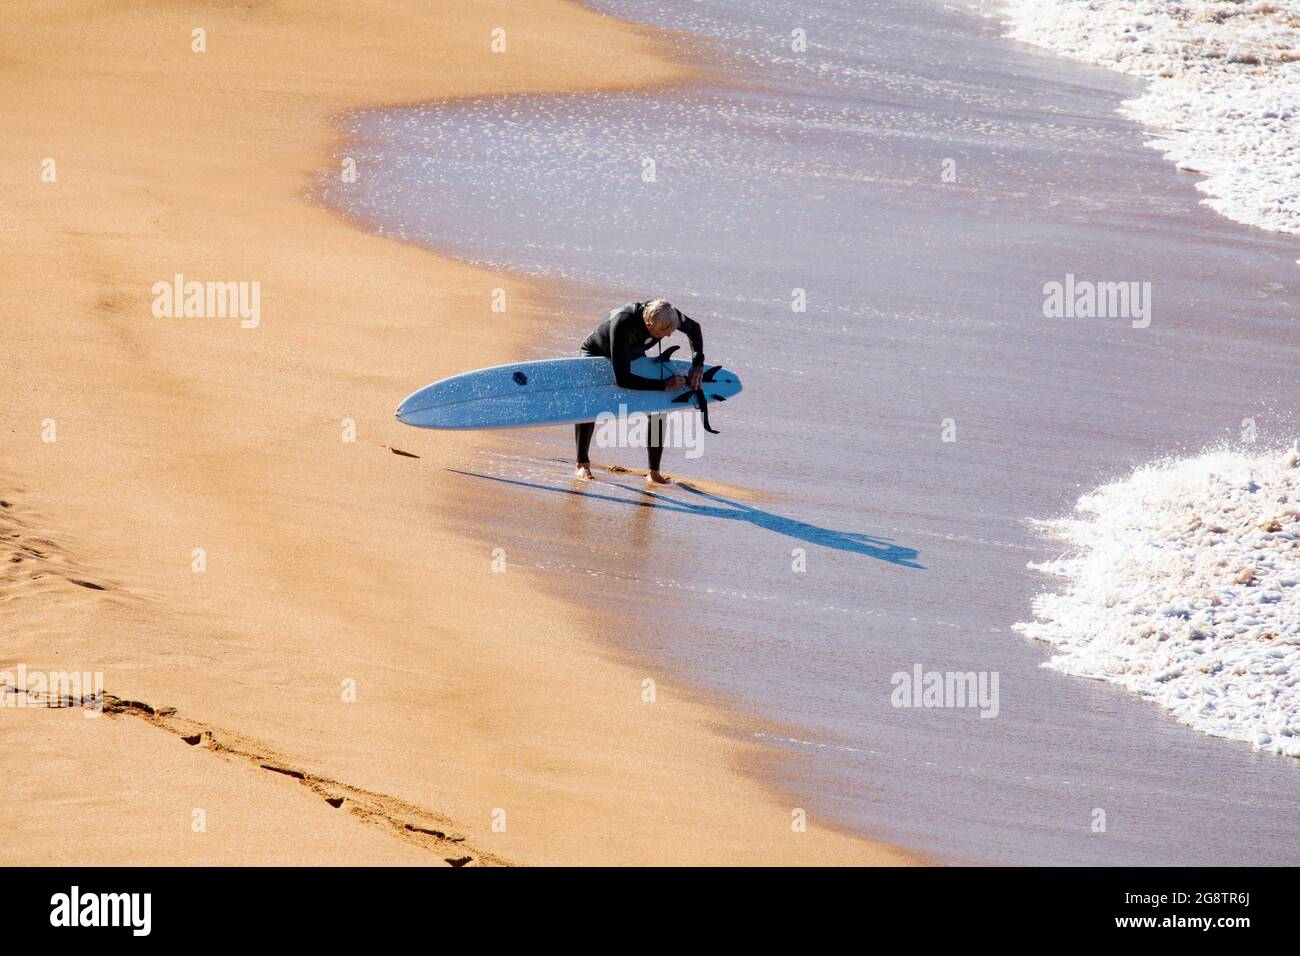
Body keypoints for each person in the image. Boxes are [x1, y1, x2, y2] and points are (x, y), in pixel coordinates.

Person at [574, 299, 704, 484]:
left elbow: (694, 328)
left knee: (658, 406)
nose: (668, 336)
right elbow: (623, 380)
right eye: (665, 332)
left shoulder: (667, 312)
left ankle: (653, 472)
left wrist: (697, 363)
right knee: (591, 403)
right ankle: (582, 465)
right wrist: (662, 385)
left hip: (632, 352)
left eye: (671, 331)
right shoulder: (623, 322)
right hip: (597, 352)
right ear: (649, 324)